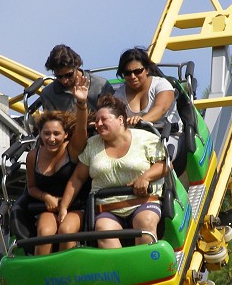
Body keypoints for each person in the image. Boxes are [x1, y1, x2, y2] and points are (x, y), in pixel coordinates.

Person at [57, 94, 167, 248]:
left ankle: (146, 267)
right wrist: (64, 206)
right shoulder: (93, 145)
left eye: (104, 119)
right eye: (96, 121)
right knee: (103, 229)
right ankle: (121, 270)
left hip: (142, 202)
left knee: (145, 222)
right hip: (108, 207)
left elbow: (166, 165)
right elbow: (78, 178)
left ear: (120, 120)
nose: (98, 124)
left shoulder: (146, 138)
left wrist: (145, 177)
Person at [26, 79, 89, 255]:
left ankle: (68, 271)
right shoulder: (33, 156)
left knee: (66, 231)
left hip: (76, 206)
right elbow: (31, 187)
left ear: (66, 134)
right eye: (46, 134)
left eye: (56, 134)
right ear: (40, 134)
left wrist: (81, 103)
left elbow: (82, 130)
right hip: (48, 207)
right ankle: (41, 271)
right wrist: (46, 197)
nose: (51, 139)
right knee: (45, 232)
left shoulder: (72, 149)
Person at [113, 46, 178, 129]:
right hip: (134, 137)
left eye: (137, 71)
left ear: (147, 70)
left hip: (167, 134)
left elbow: (161, 109)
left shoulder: (161, 85)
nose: (133, 76)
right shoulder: (119, 95)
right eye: (127, 73)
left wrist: (141, 121)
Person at [41, 43, 114, 113]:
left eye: (69, 75)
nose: (64, 81)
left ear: (76, 66)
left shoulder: (101, 85)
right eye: (59, 77)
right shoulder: (48, 94)